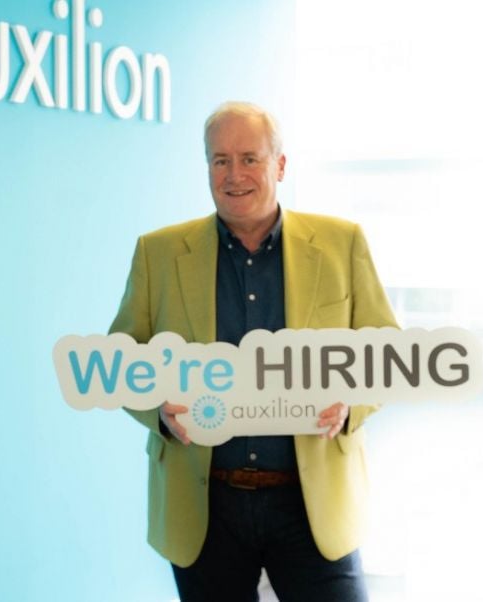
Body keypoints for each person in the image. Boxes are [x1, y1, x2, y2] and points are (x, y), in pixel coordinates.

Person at [110, 101, 397, 601]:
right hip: (206, 503)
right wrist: (157, 411)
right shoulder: (157, 252)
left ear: (280, 165)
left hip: (311, 499)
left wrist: (353, 404)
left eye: (250, 158)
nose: (234, 174)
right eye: (220, 160)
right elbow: (121, 359)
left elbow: (387, 351)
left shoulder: (341, 243)